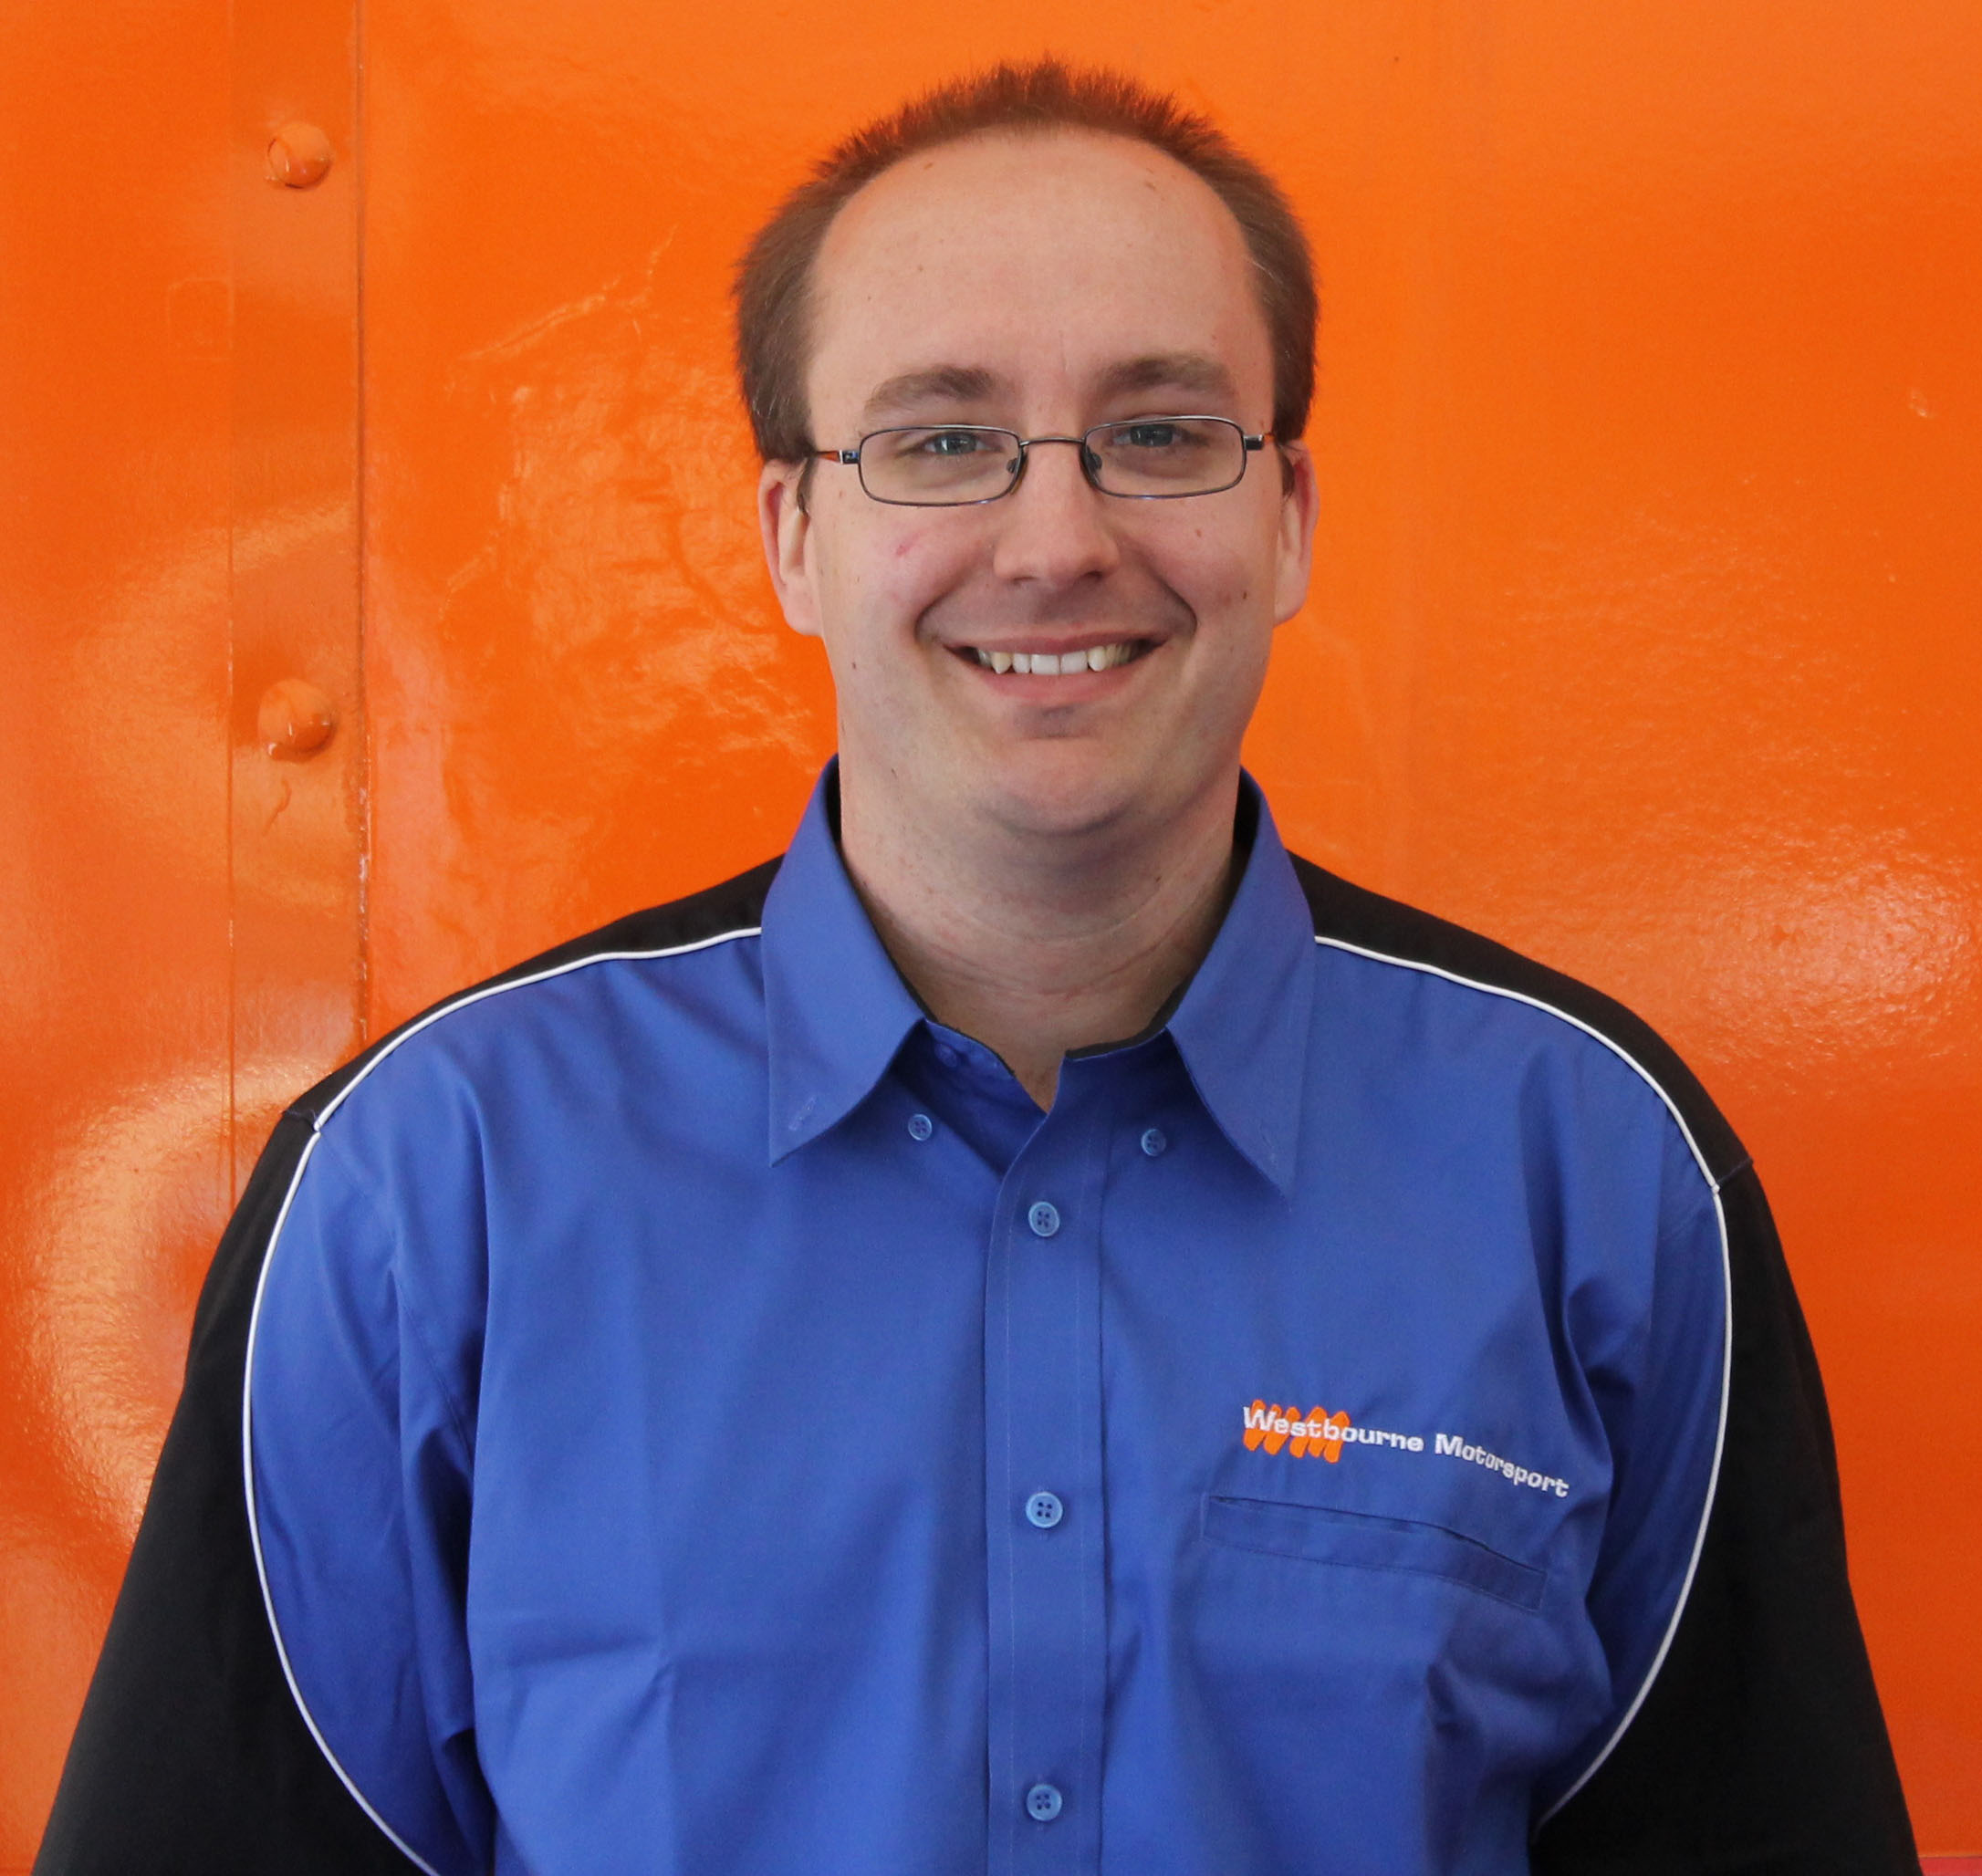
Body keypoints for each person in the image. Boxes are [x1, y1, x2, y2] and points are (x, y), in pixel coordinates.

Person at [37, 60, 1915, 1876]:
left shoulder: (1591, 1165)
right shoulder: (433, 1179)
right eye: (940, 440)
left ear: (1287, 517)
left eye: (1162, 433)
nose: (1057, 539)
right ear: (793, 533)